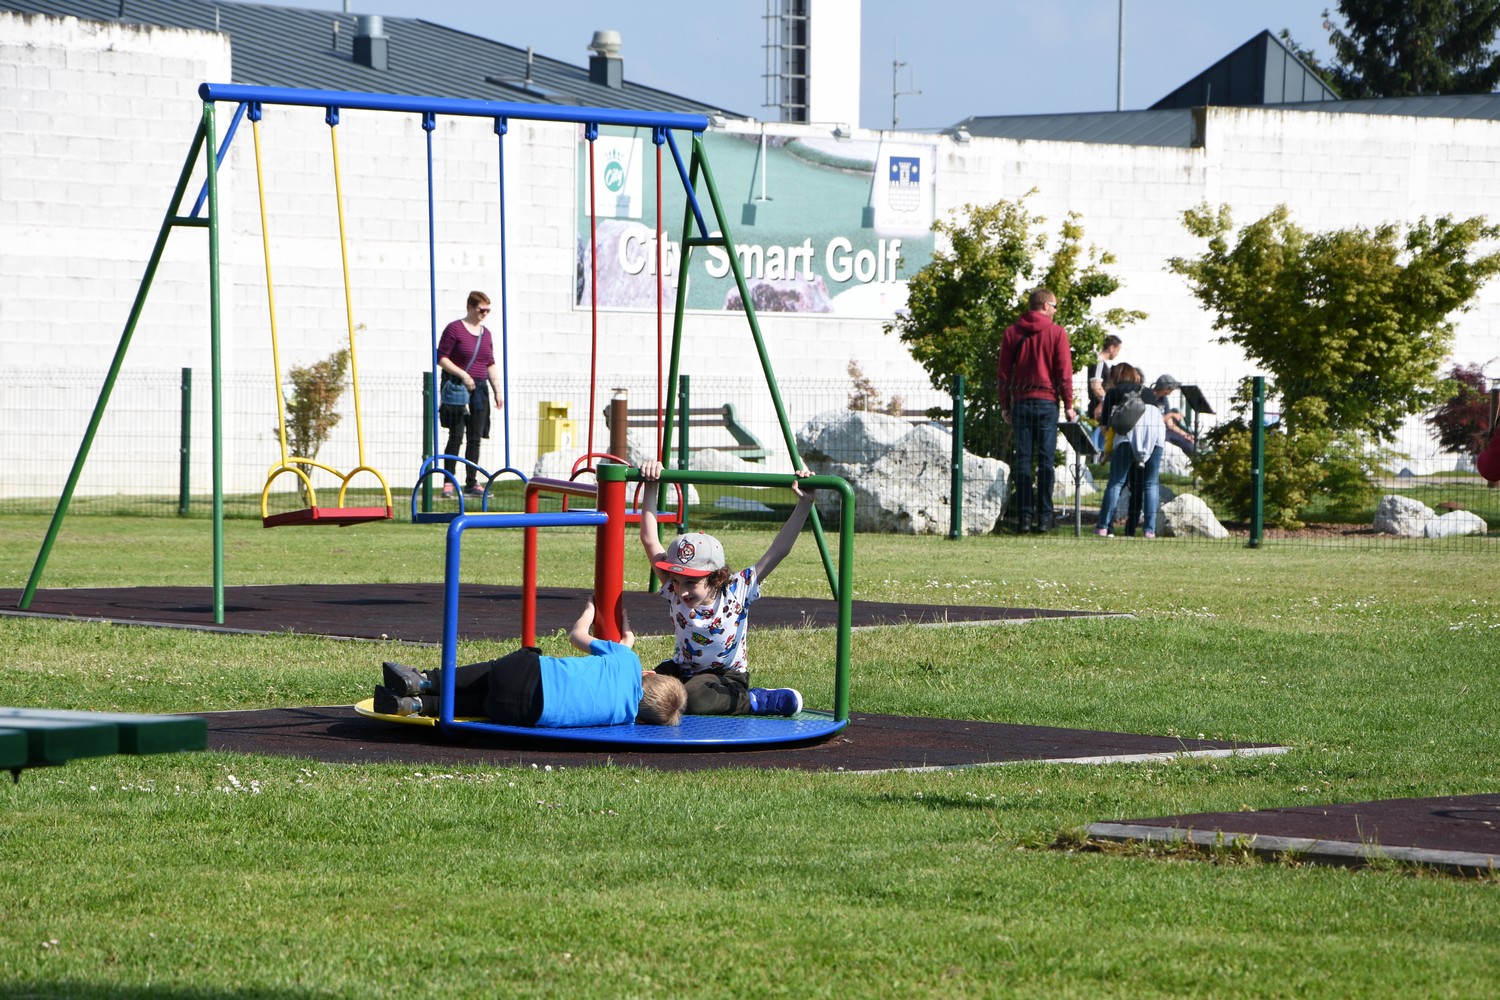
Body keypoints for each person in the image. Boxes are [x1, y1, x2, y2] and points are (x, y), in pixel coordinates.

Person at [638, 459, 815, 717]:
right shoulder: (674, 587)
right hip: (681, 669)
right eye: (676, 581)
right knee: (644, 692)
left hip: (727, 677)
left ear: (716, 578)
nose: (681, 590)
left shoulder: (737, 590)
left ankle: (755, 700)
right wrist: (652, 485)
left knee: (693, 697)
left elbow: (779, 550)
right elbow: (649, 538)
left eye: (691, 583)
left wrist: (804, 503)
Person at [374, 600, 686, 727]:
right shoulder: (626, 719)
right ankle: (418, 706)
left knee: (492, 673)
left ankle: (426, 680)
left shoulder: (627, 660)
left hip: (528, 674)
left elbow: (577, 635)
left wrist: (592, 607)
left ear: (649, 672)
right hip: (524, 714)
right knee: (484, 702)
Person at [997, 287, 1077, 534]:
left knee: (1022, 461)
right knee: (1046, 462)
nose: (1055, 310)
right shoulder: (1056, 333)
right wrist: (1069, 404)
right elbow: (1064, 372)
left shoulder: (1012, 333)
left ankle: (1023, 517)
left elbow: (1003, 374)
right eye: (1054, 306)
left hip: (1021, 401)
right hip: (1046, 402)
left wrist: (1005, 405)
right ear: (1045, 306)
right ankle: (1043, 517)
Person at [436, 291, 504, 497]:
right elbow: (441, 357)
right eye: (480, 309)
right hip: (457, 388)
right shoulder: (454, 329)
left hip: (480, 390)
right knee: (456, 435)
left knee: (475, 437)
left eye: (487, 310)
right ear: (470, 307)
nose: (484, 313)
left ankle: (472, 482)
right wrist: (463, 375)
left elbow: (489, 363)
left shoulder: (487, 334)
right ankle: (448, 481)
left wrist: (497, 391)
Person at [1095, 366, 1166, 539]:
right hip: (1156, 434)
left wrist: (1108, 448)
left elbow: (1105, 427)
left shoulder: (1114, 392)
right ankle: (1149, 530)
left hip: (1128, 434)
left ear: (1116, 376)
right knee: (1151, 483)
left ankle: (1103, 526)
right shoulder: (1148, 392)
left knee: (1116, 482)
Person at [1087, 335, 1123, 452]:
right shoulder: (1099, 362)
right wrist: (1104, 401)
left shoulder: (1099, 362)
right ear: (1111, 348)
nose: (1117, 354)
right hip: (1099, 407)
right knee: (1099, 441)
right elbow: (1096, 386)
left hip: (1100, 406)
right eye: (1118, 350)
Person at [1149, 374, 1196, 454]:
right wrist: (1172, 415)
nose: (1172, 391)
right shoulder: (1149, 397)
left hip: (1166, 430)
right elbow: (1152, 421)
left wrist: (1186, 435)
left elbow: (1170, 424)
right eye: (1171, 389)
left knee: (1190, 446)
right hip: (1153, 431)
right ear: (1165, 388)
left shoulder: (1164, 399)